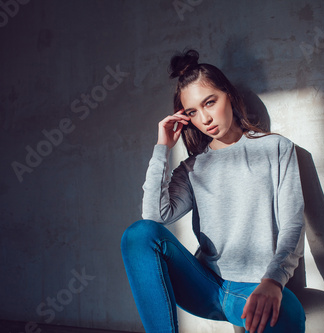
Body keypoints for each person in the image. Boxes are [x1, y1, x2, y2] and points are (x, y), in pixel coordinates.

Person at [121, 49, 306, 333]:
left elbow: (293, 225)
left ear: (228, 95)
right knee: (138, 234)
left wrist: (273, 281)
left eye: (210, 102)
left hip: (252, 288)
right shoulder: (193, 168)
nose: (205, 118)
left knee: (289, 313)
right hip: (204, 286)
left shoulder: (275, 148)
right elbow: (154, 218)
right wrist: (162, 150)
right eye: (193, 112)